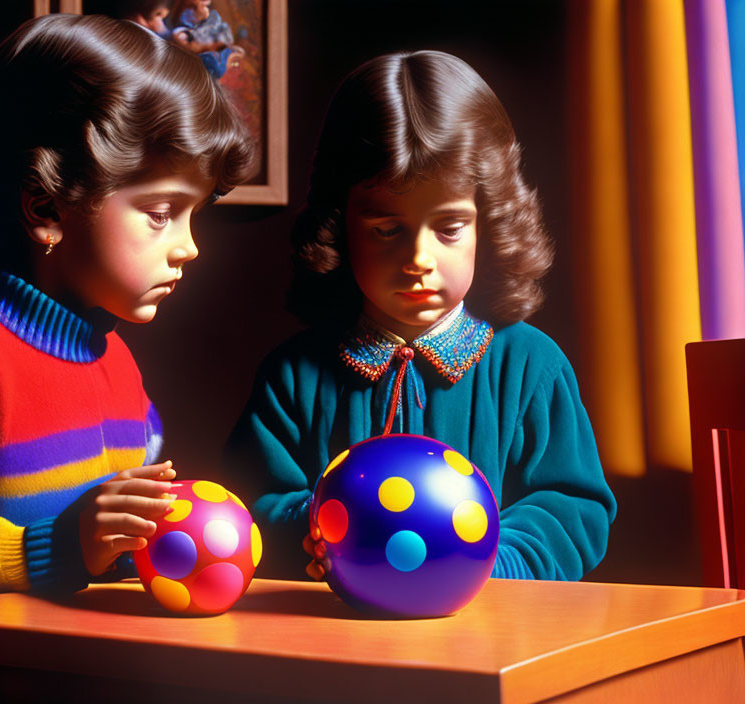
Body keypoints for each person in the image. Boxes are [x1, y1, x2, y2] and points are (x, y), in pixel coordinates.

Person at [0, 13, 254, 604]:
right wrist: (57, 547)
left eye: (196, 213)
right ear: (46, 207)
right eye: (162, 213)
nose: (189, 245)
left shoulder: (116, 362)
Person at [224, 51, 617, 582]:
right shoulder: (293, 374)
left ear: (488, 224)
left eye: (449, 227)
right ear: (340, 226)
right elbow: (250, 500)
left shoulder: (531, 365)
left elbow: (572, 508)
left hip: (494, 637)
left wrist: (488, 564)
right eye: (387, 229)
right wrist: (313, 527)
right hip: (333, 641)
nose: (418, 260)